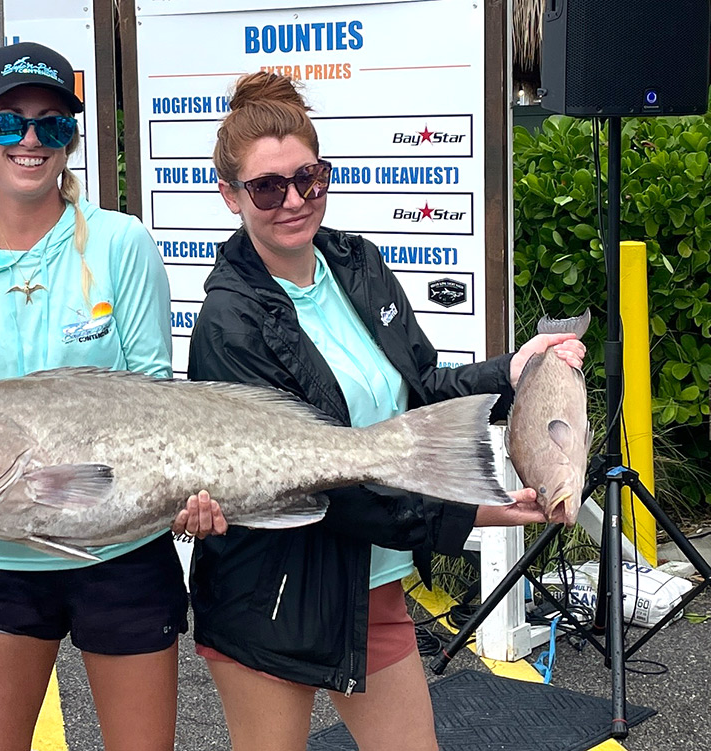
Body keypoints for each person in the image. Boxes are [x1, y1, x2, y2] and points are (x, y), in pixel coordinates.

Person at [185, 71, 586, 751]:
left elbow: (420, 389)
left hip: (373, 585)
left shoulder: (356, 262)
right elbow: (322, 485)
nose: (293, 200)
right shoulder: (230, 323)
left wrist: (512, 371)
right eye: (267, 186)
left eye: (308, 178)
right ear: (230, 195)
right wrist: (479, 512)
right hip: (272, 595)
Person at [0, 41, 225, 751]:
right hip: (1, 561)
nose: (30, 140)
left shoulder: (121, 245)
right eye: (9, 123)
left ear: (70, 143)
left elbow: (155, 405)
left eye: (51, 125)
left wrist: (189, 490)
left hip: (126, 553)